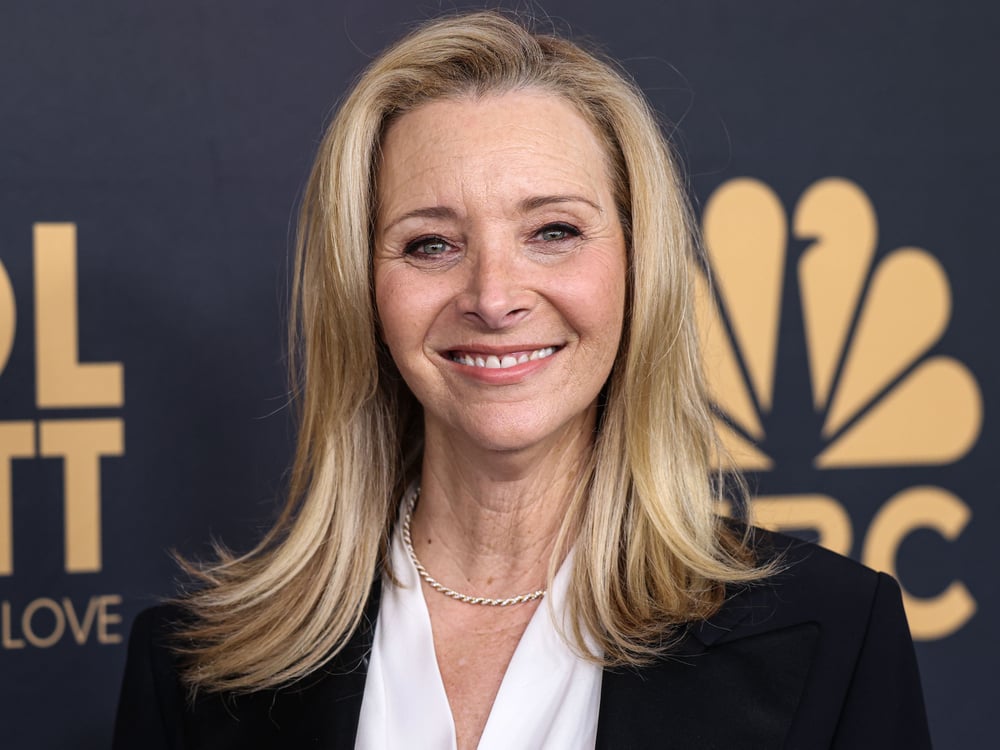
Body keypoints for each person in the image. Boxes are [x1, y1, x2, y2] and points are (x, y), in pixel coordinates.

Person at [112, 10, 931, 750]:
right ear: (363, 290)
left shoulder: (834, 635)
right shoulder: (194, 672)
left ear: (637, 267)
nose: (493, 296)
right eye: (432, 244)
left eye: (553, 231)